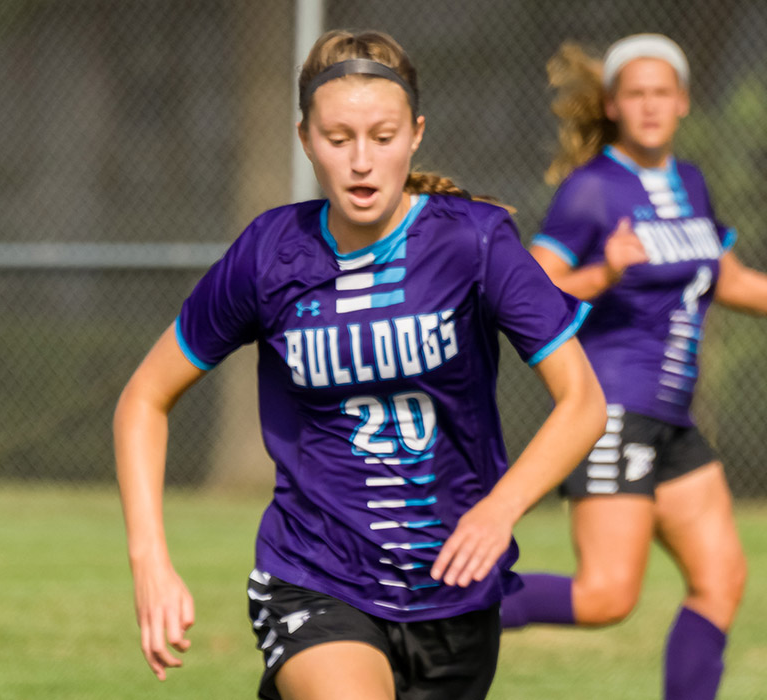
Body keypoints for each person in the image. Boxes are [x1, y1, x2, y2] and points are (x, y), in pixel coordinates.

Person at [116, 29, 607, 700]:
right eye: (338, 138)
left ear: (416, 134)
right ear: (305, 139)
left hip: (454, 595)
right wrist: (150, 562)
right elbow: (144, 397)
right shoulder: (269, 255)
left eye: (382, 136)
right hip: (314, 573)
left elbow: (583, 400)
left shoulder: (475, 241)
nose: (361, 162)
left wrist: (501, 508)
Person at [497, 35, 767, 700]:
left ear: (682, 101)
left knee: (720, 579)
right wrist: (606, 271)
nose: (649, 105)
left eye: (661, 92)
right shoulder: (591, 191)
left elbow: (727, 279)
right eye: (635, 94)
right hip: (613, 408)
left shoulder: (691, 182)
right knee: (605, 597)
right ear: (614, 105)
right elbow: (531, 291)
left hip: (673, 420)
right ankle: (433, 604)